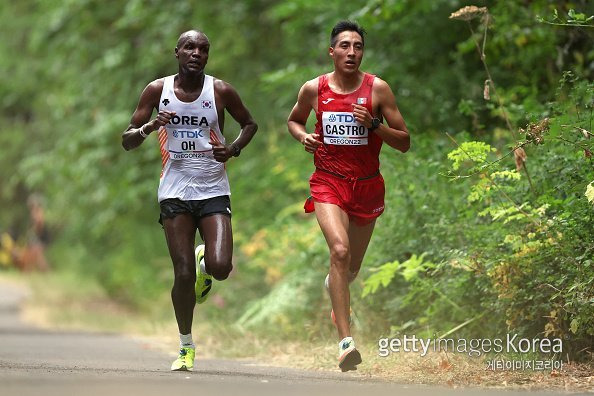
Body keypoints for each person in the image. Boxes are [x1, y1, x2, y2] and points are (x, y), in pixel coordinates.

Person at [121, 30, 257, 371]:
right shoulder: (157, 90)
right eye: (189, 47)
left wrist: (234, 148)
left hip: (212, 188)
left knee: (221, 268)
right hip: (174, 191)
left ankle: (206, 263)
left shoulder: (220, 90)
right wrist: (150, 127)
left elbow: (250, 124)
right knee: (181, 274)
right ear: (177, 52)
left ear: (207, 56)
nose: (196, 53)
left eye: (203, 49)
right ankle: (185, 346)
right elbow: (127, 140)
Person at [287, 21, 410, 372]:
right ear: (332, 51)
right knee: (338, 251)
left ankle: (335, 291)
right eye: (344, 45)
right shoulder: (314, 89)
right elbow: (293, 121)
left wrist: (374, 125)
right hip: (328, 182)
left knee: (351, 267)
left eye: (357, 46)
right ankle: (345, 342)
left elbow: (404, 142)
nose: (351, 52)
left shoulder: (378, 90)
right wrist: (302, 138)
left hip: (367, 185)